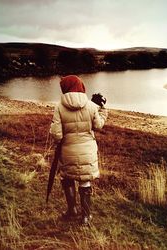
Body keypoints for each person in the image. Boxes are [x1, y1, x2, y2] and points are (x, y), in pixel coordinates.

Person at [50, 75, 108, 225]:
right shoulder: (90, 106)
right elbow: (98, 126)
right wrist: (102, 110)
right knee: (85, 182)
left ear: (66, 88)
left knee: (67, 178)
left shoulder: (59, 106)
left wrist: (63, 140)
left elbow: (56, 134)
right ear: (81, 86)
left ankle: (72, 210)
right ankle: (86, 217)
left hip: (67, 151)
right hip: (87, 150)